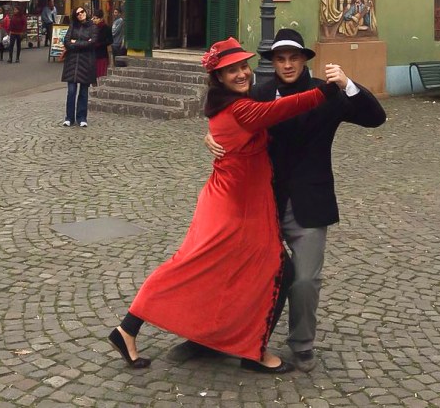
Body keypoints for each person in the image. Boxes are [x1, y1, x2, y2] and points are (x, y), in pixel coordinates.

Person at [108, 37, 333, 374]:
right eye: (232, 70)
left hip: (238, 200)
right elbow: (280, 109)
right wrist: (328, 90)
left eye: (244, 66)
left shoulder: (232, 103)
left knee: (243, 269)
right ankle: (246, 350)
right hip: (233, 206)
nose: (242, 73)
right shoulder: (240, 108)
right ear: (219, 77)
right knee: (196, 267)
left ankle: (226, 339)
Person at [206, 28, 386, 373]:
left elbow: (375, 118)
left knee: (304, 280)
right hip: (262, 199)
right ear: (273, 62)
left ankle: (302, 343)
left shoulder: (326, 91)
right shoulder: (258, 93)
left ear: (304, 60)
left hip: (309, 200)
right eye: (280, 59)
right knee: (246, 274)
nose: (287, 65)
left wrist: (348, 83)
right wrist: (208, 137)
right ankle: (222, 337)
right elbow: (226, 118)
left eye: (293, 58)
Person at [61, 7, 97, 127]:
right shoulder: (73, 26)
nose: (80, 14)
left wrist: (75, 42)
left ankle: (82, 118)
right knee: (71, 91)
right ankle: (69, 118)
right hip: (72, 63)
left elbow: (92, 42)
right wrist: (82, 43)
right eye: (77, 13)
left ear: (86, 12)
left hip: (86, 62)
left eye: (82, 12)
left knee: (83, 92)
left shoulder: (92, 27)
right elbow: (66, 41)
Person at [92, 9, 113, 81]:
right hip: (92, 54)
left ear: (101, 19)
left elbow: (110, 40)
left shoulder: (106, 28)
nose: (94, 20)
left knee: (101, 75)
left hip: (102, 55)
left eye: (96, 18)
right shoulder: (92, 28)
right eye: (93, 18)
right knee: (92, 77)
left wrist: (100, 44)